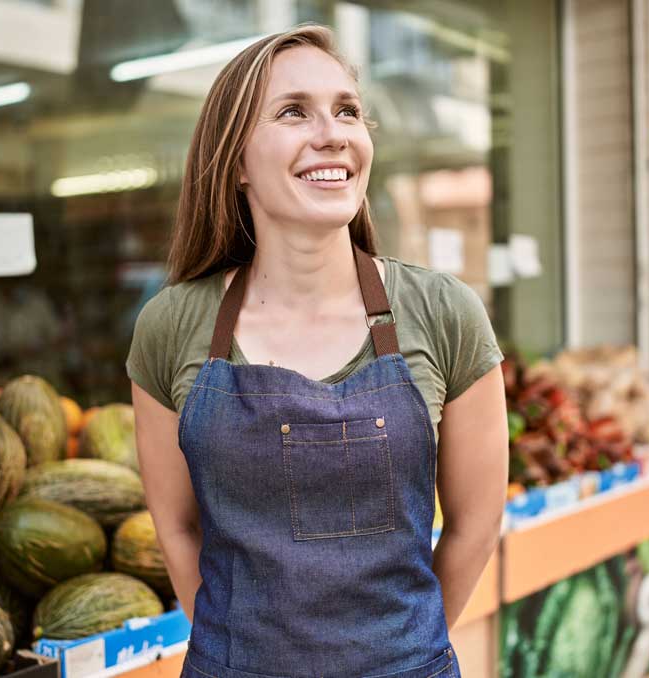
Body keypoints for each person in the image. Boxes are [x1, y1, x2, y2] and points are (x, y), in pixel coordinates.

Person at [126, 23, 508, 678]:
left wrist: (400, 652)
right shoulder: (173, 325)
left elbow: (475, 525)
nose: (332, 133)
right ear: (237, 161)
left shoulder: (445, 313)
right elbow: (179, 530)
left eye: (348, 111)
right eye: (293, 111)